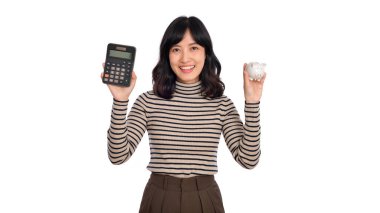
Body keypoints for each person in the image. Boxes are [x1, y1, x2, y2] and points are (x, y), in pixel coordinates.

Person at [102, 16, 266, 213]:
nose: (185, 58)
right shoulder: (148, 101)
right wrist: (120, 101)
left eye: (194, 48)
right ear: (167, 55)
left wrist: (252, 103)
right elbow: (117, 156)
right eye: (176, 49)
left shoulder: (221, 104)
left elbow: (248, 160)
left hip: (205, 198)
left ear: (206, 53)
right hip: (159, 197)